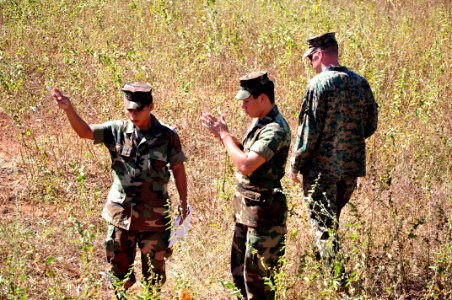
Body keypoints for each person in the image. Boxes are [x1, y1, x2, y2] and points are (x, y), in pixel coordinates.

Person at [50, 82, 188, 295]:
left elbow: (178, 169)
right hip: (121, 217)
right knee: (119, 274)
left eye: (138, 109)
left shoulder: (167, 136)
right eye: (129, 109)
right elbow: (85, 132)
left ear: (150, 107)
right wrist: (69, 109)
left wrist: (184, 202)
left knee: (154, 277)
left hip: (155, 220)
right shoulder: (116, 130)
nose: (133, 114)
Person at [290, 32, 378, 275]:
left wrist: (295, 164)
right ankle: (321, 272)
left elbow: (309, 132)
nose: (311, 64)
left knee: (324, 228)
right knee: (330, 222)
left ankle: (339, 283)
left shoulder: (318, 85)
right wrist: (347, 143)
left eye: (311, 59)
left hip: (321, 171)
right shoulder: (361, 82)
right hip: (350, 170)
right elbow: (370, 125)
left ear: (318, 54)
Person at [200, 71, 291, 299]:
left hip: (264, 218)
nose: (243, 107)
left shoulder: (275, 130)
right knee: (240, 278)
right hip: (247, 213)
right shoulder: (260, 123)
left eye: (247, 101)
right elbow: (248, 154)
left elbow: (246, 165)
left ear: (263, 98)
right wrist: (226, 136)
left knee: (259, 287)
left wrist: (224, 136)